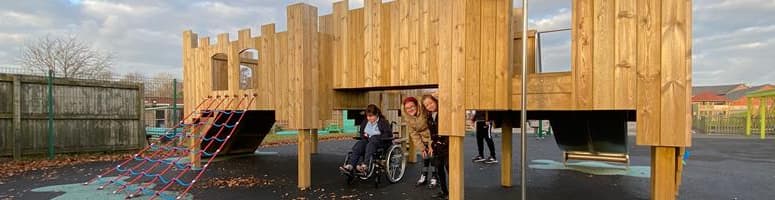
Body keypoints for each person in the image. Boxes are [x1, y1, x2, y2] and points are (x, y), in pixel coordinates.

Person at [339, 104, 393, 175]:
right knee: (359, 144)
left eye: (371, 116)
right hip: (368, 141)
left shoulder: (383, 122)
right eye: (367, 116)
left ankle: (365, 166)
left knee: (372, 140)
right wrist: (365, 136)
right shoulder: (365, 122)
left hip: (381, 143)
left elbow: (388, 134)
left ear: (376, 114)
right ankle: (350, 166)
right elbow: (362, 133)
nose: (369, 118)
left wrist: (377, 136)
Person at [402, 97, 436, 186]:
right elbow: (413, 134)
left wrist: (431, 144)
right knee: (425, 157)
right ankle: (424, 175)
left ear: (417, 105)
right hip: (422, 138)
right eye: (407, 108)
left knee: (433, 157)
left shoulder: (424, 112)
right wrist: (421, 148)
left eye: (412, 106)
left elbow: (432, 128)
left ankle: (434, 177)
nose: (410, 109)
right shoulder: (408, 118)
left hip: (433, 136)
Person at [422, 95, 448, 199]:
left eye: (431, 103)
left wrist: (445, 142)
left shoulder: (443, 112)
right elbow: (431, 133)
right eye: (427, 105)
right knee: (439, 169)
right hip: (436, 146)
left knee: (449, 168)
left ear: (436, 101)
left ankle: (455, 192)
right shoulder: (429, 116)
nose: (429, 106)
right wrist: (431, 146)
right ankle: (444, 191)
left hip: (446, 145)